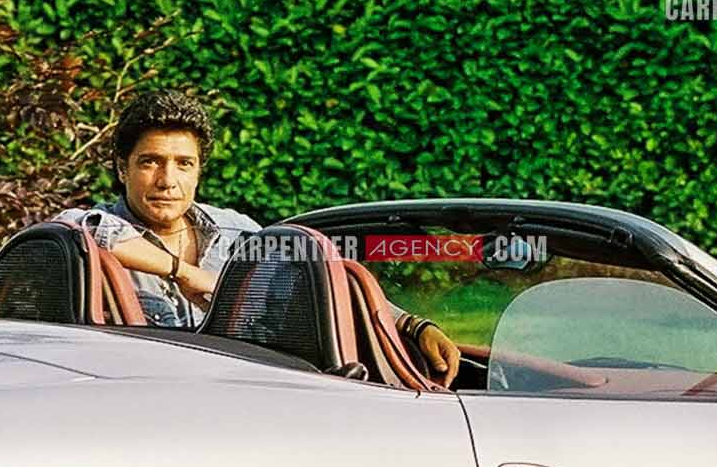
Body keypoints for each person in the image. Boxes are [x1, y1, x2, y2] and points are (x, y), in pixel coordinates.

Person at [53, 88, 462, 385]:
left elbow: (323, 278)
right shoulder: (88, 227)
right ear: (122, 168)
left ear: (199, 171)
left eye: (184, 164)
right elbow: (85, 227)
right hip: (143, 403)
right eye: (150, 162)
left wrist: (412, 325)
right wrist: (186, 272)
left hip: (246, 402)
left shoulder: (236, 232)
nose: (167, 180)